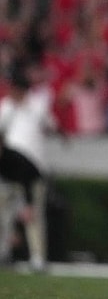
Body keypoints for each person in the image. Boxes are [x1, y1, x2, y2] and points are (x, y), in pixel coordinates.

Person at [0, 67, 59, 273]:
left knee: (34, 215)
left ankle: (37, 257)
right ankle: (4, 253)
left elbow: (51, 124)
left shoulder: (37, 104)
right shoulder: (7, 107)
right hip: (9, 170)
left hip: (34, 168)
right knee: (5, 214)